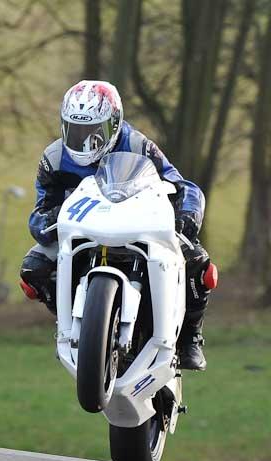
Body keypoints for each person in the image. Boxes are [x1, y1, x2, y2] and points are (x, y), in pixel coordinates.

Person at [19, 80, 217, 371]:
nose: (84, 142)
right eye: (75, 131)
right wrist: (47, 221)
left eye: (93, 133)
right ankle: (73, 326)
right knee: (32, 272)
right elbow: (40, 208)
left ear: (113, 125)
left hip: (135, 223)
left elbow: (182, 185)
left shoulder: (138, 144)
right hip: (80, 229)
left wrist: (187, 216)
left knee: (199, 265)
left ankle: (190, 338)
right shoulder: (53, 157)